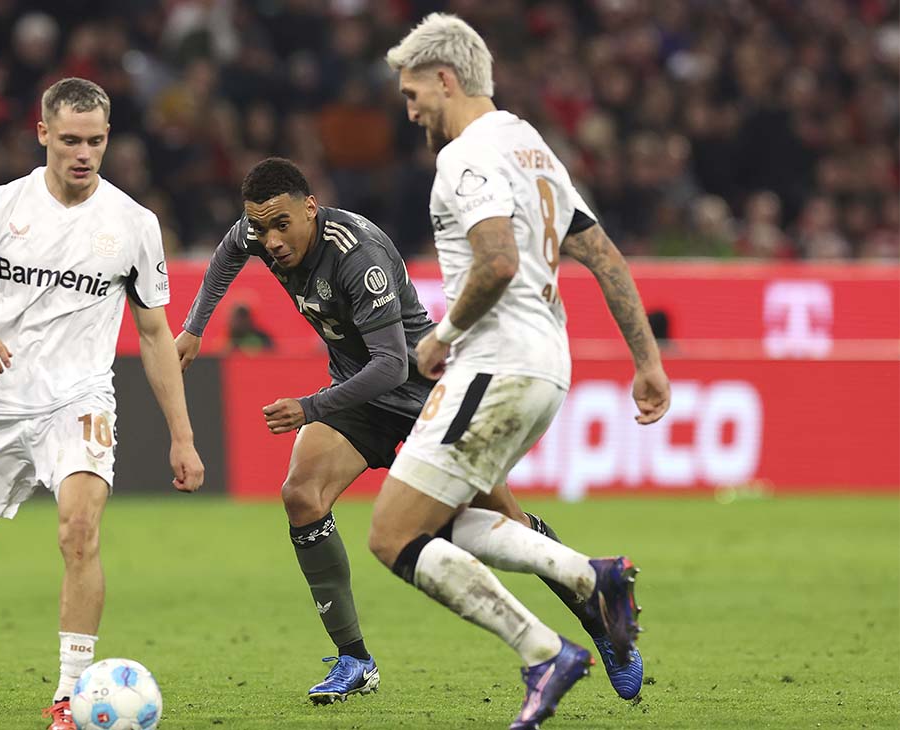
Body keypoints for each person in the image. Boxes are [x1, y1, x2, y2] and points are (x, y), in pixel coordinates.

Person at [175, 157, 611, 706]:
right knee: (302, 497)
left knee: (505, 525)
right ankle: (354, 660)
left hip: (424, 393)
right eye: (261, 227)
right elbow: (227, 253)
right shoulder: (259, 231)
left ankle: (598, 610)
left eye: (282, 225)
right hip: (359, 397)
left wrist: (309, 407)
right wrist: (194, 327)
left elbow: (392, 364)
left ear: (311, 208)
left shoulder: (359, 256)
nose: (271, 240)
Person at [369, 14, 672, 729]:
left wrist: (442, 335)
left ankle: (544, 651)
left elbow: (498, 260)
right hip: (545, 368)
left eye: (414, 95)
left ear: (447, 79)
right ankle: (586, 576)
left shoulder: (467, 156)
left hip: (494, 365)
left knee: (392, 537)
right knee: (451, 521)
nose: (410, 112)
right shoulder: (531, 146)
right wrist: (648, 362)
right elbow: (603, 256)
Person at [0, 78, 205, 730]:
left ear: (107, 138)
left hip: (78, 401)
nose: (83, 153)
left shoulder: (134, 225)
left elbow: (152, 334)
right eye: (69, 141)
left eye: (95, 141)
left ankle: (69, 697)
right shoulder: (2, 208)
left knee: (78, 533)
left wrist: (183, 435)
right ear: (43, 136)